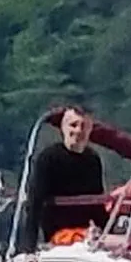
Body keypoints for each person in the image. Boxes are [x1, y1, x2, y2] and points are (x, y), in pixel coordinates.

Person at [23, 106, 109, 249]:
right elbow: (34, 203)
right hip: (58, 235)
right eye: (73, 125)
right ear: (63, 128)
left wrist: (108, 231)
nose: (78, 131)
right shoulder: (48, 158)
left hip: (86, 234)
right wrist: (28, 248)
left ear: (90, 130)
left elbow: (97, 205)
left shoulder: (93, 160)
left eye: (84, 126)